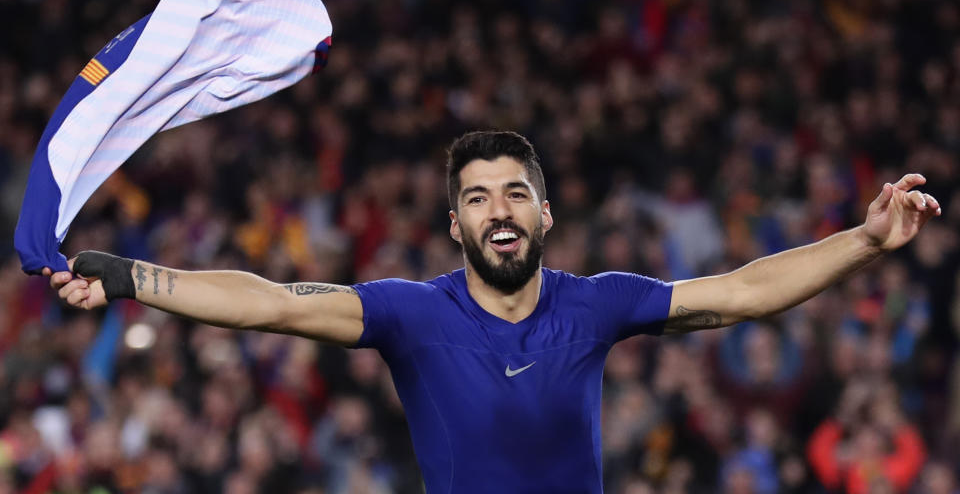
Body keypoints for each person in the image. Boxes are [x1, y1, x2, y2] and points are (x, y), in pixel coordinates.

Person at [47, 131, 941, 494]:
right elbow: (271, 304)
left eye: (516, 194)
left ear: (546, 215)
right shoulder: (411, 316)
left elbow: (743, 291)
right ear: (454, 224)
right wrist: (134, 277)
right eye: (477, 198)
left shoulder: (597, 305)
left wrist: (862, 242)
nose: (499, 210)